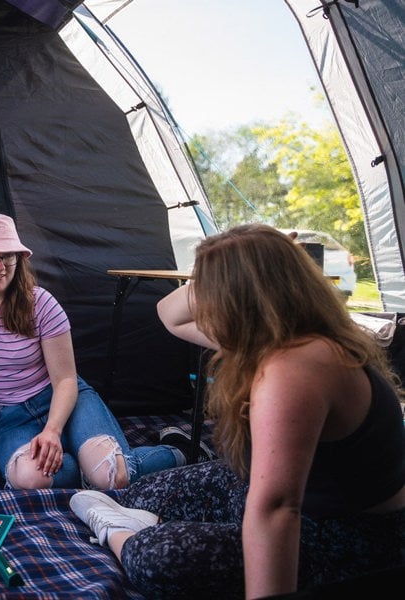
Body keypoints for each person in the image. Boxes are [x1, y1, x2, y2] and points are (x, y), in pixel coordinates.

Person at [70, 224, 405, 598]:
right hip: (270, 486)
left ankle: (122, 533)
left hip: (345, 534)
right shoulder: (268, 335)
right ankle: (155, 520)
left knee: (157, 558)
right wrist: (237, 255)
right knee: (140, 493)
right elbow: (169, 313)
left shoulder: (297, 366)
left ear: (238, 298)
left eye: (213, 289)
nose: (205, 303)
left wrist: (241, 263)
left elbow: (277, 509)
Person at [0, 213, 190, 491]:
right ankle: (85, 461)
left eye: (8, 256)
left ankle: (181, 449)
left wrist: (52, 430)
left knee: (111, 476)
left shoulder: (40, 302)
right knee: (29, 478)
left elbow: (65, 380)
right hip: (12, 416)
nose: (0, 266)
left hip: (64, 401)